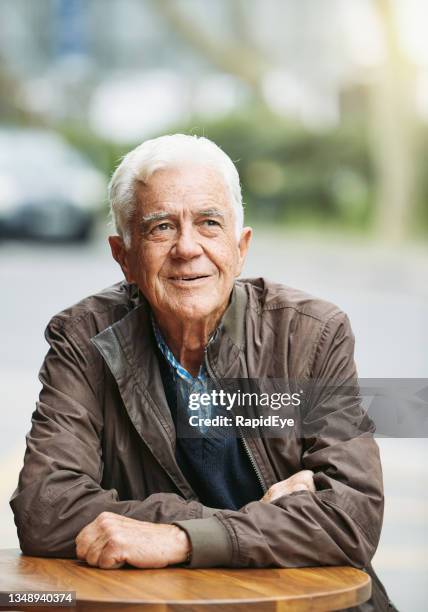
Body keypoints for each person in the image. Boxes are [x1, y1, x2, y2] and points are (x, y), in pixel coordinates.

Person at [11, 134, 393, 610]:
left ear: (241, 246)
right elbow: (46, 510)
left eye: (209, 224)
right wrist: (264, 524)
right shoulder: (82, 339)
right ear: (122, 255)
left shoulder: (312, 334)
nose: (187, 248)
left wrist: (181, 538)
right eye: (161, 228)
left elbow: (350, 520)